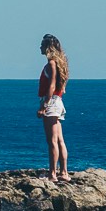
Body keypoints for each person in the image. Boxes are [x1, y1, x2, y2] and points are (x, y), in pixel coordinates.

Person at [37, 33, 69, 181]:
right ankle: (64, 172)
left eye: (43, 45)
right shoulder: (60, 63)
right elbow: (61, 87)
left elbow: (51, 85)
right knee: (60, 140)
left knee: (52, 141)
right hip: (58, 101)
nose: (40, 47)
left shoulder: (51, 64)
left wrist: (44, 105)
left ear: (48, 47)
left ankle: (52, 174)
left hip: (51, 103)